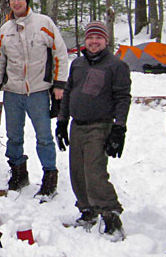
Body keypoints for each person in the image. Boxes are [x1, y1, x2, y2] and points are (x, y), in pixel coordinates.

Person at [0, 0, 69, 198]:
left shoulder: (44, 24)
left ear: (27, 1)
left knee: (44, 136)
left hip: (39, 91)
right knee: (14, 136)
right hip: (13, 91)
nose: (16, 3)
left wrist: (59, 84)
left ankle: (49, 176)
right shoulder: (5, 30)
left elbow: (60, 53)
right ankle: (18, 174)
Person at [55, 21, 131, 237]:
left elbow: (123, 98)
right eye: (90, 38)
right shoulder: (78, 64)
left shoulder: (116, 66)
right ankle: (87, 210)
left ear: (106, 41)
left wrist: (119, 128)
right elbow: (69, 92)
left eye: (98, 38)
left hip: (100, 125)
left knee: (94, 172)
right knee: (77, 171)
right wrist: (62, 121)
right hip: (76, 125)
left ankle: (110, 214)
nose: (94, 42)